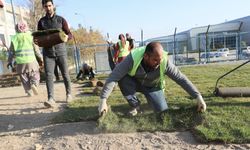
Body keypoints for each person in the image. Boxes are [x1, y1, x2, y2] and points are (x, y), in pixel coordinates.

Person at [98, 42, 206, 116]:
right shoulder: (132, 58)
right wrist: (103, 100)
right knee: (122, 78)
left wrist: (198, 96)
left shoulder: (164, 61)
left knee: (161, 112)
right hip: (135, 82)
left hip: (153, 86)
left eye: (160, 60)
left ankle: (152, 100)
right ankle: (135, 106)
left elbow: (181, 78)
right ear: (146, 56)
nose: (158, 63)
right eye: (155, 60)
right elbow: (114, 76)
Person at [35, 0, 72, 107]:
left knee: (65, 74)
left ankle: (69, 94)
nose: (48, 8)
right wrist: (37, 41)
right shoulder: (41, 22)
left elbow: (69, 34)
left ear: (53, 6)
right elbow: (39, 36)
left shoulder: (61, 20)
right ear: (43, 7)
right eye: (46, 6)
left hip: (61, 52)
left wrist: (66, 38)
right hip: (48, 53)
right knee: (49, 75)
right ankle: (51, 98)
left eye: (50, 5)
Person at [7, 21, 42, 97]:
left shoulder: (14, 38)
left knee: (24, 77)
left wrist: (9, 61)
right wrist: (41, 58)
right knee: (35, 74)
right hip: (31, 60)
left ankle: (28, 91)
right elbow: (36, 50)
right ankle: (34, 84)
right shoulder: (31, 36)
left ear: (17, 28)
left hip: (20, 62)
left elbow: (11, 52)